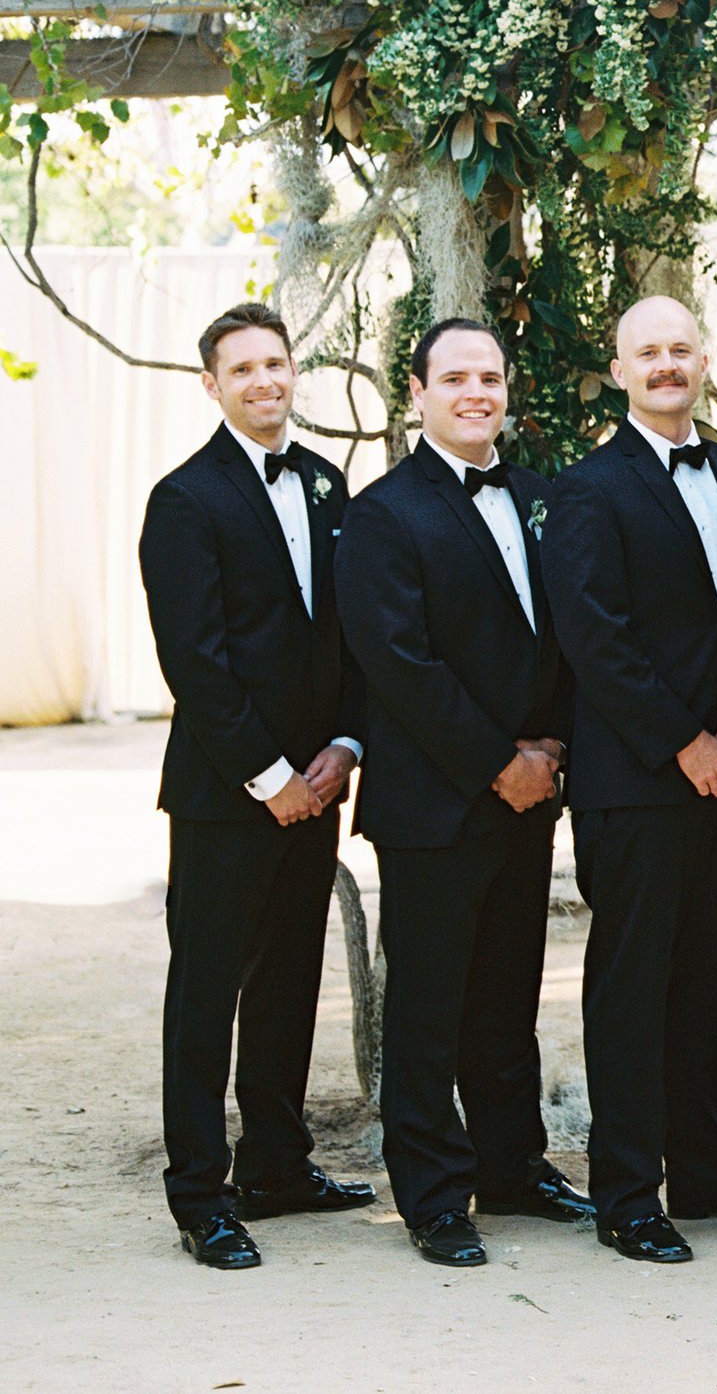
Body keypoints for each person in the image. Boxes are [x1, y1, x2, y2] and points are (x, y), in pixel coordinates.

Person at [337, 319, 586, 1267]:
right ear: (418, 393)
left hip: (529, 794)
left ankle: (512, 1163)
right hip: (436, 803)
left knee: (505, 1000)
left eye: (490, 377)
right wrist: (498, 762)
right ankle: (435, 1195)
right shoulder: (382, 513)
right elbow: (401, 664)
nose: (476, 393)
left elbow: (567, 633)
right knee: (429, 1009)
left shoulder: (538, 497)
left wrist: (552, 746)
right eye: (456, 379)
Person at [139, 302, 374, 1269]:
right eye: (243, 370)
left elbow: (352, 631)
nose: (265, 382)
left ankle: (276, 1164)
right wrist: (270, 775)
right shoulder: (184, 499)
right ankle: (201, 1193)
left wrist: (347, 747)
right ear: (213, 385)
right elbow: (194, 661)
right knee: (207, 993)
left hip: (317, 785)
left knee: (288, 982)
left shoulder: (327, 483)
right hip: (226, 793)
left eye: (276, 364)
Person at [542, 297, 717, 1265]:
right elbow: (593, 636)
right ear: (620, 367)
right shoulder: (589, 488)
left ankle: (708, 1163)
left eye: (682, 349)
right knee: (634, 985)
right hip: (634, 780)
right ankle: (628, 1190)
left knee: (713, 968)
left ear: (704, 359)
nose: (668, 365)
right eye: (650, 353)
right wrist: (681, 740)